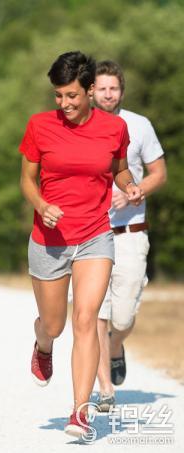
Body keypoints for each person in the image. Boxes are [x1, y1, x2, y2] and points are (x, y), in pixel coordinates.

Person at [19, 51, 143, 439]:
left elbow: (119, 168)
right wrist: (41, 204)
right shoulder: (40, 125)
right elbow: (27, 179)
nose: (64, 104)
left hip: (94, 235)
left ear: (90, 90)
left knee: (86, 320)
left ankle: (79, 411)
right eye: (58, 96)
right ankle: (42, 344)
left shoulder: (113, 129)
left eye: (71, 95)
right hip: (49, 239)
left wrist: (130, 186)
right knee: (54, 325)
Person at [92, 60, 167, 411]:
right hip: (92, 233)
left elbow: (159, 173)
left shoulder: (139, 125)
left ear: (121, 90)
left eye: (114, 88)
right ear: (91, 90)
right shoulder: (81, 126)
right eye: (102, 88)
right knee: (96, 311)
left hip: (131, 232)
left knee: (122, 318)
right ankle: (105, 387)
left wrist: (135, 191)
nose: (108, 94)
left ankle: (116, 345)